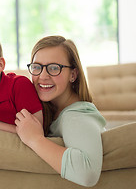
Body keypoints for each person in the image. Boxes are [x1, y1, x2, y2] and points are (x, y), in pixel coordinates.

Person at [15, 35, 106, 187]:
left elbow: (87, 174)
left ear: (73, 74)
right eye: (37, 67)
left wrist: (34, 139)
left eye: (54, 68)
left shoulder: (76, 116)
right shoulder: (53, 111)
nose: (43, 76)